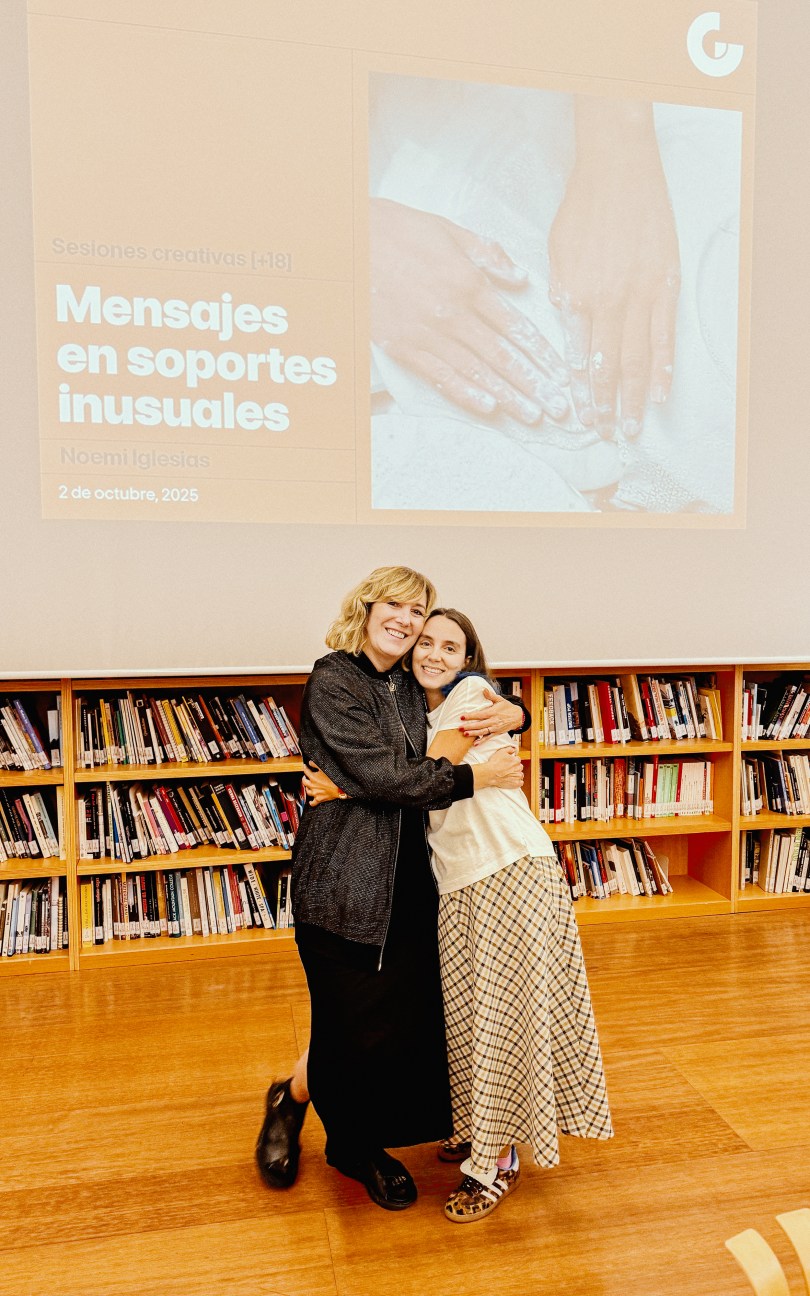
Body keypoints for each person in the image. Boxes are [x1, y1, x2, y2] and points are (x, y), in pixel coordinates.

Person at [308, 607, 613, 1222]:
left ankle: (496, 1162)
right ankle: (481, 1125)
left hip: (506, 866)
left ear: (468, 660)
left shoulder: (471, 696)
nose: (435, 655)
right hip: (460, 878)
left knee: (502, 1014)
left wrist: (342, 789)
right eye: (426, 642)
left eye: (451, 646)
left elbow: (419, 775)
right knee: (472, 1011)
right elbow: (403, 775)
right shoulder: (413, 709)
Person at [255, 565, 527, 1210]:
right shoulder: (333, 678)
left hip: (416, 878)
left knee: (394, 1023)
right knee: (350, 1020)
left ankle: (296, 1095)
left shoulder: (411, 682)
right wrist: (471, 780)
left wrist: (515, 712)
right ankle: (351, 1146)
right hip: (345, 880)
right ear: (367, 606)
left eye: (418, 610)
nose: (406, 621)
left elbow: (472, 709)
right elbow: (393, 775)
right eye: (395, 606)